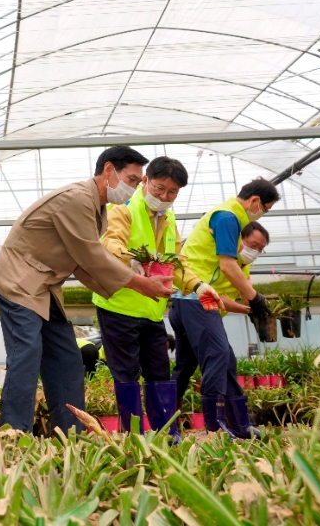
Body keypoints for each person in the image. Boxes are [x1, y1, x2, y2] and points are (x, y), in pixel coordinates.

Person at [0, 146, 174, 435]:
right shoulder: (76, 199)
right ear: (109, 170)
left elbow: (82, 265)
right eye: (133, 180)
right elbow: (92, 257)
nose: (135, 188)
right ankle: (14, 433)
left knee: (67, 358)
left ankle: (70, 433)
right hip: (18, 282)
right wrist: (139, 283)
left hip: (43, 287)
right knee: (27, 353)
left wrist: (139, 287)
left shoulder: (97, 208)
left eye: (138, 182)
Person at [91, 156, 223, 441]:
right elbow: (110, 243)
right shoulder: (122, 209)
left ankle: (167, 434)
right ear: (145, 181)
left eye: (172, 192)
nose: (164, 197)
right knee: (126, 373)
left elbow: (176, 261)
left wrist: (198, 286)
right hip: (118, 307)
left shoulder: (168, 217)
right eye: (159, 188)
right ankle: (134, 435)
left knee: (159, 370)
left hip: (151, 311)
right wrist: (132, 264)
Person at [168, 178, 279, 439]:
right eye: (266, 208)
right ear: (254, 201)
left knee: (190, 365)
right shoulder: (228, 218)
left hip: (191, 298)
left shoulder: (231, 220)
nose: (263, 213)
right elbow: (228, 267)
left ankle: (171, 425)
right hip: (196, 297)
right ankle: (217, 424)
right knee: (219, 355)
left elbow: (230, 288)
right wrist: (255, 300)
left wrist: (253, 307)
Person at [173, 221, 269, 411]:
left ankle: (168, 417)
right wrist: (251, 310)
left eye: (260, 249)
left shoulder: (242, 266)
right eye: (252, 245)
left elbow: (246, 294)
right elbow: (219, 298)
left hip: (186, 307)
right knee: (220, 356)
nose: (255, 252)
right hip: (196, 304)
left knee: (186, 365)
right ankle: (218, 417)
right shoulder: (224, 260)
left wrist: (262, 309)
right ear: (238, 239)